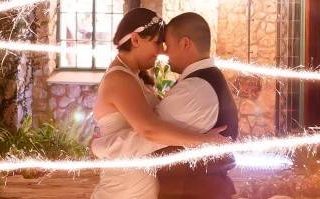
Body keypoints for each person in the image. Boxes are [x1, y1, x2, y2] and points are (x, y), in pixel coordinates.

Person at [91, 11, 239, 199]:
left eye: (165, 44)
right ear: (136, 40)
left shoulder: (137, 78)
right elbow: (151, 131)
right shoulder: (120, 79)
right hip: (127, 187)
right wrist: (204, 140)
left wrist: (99, 146)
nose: (162, 51)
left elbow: (154, 131)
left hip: (145, 183)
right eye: (157, 43)